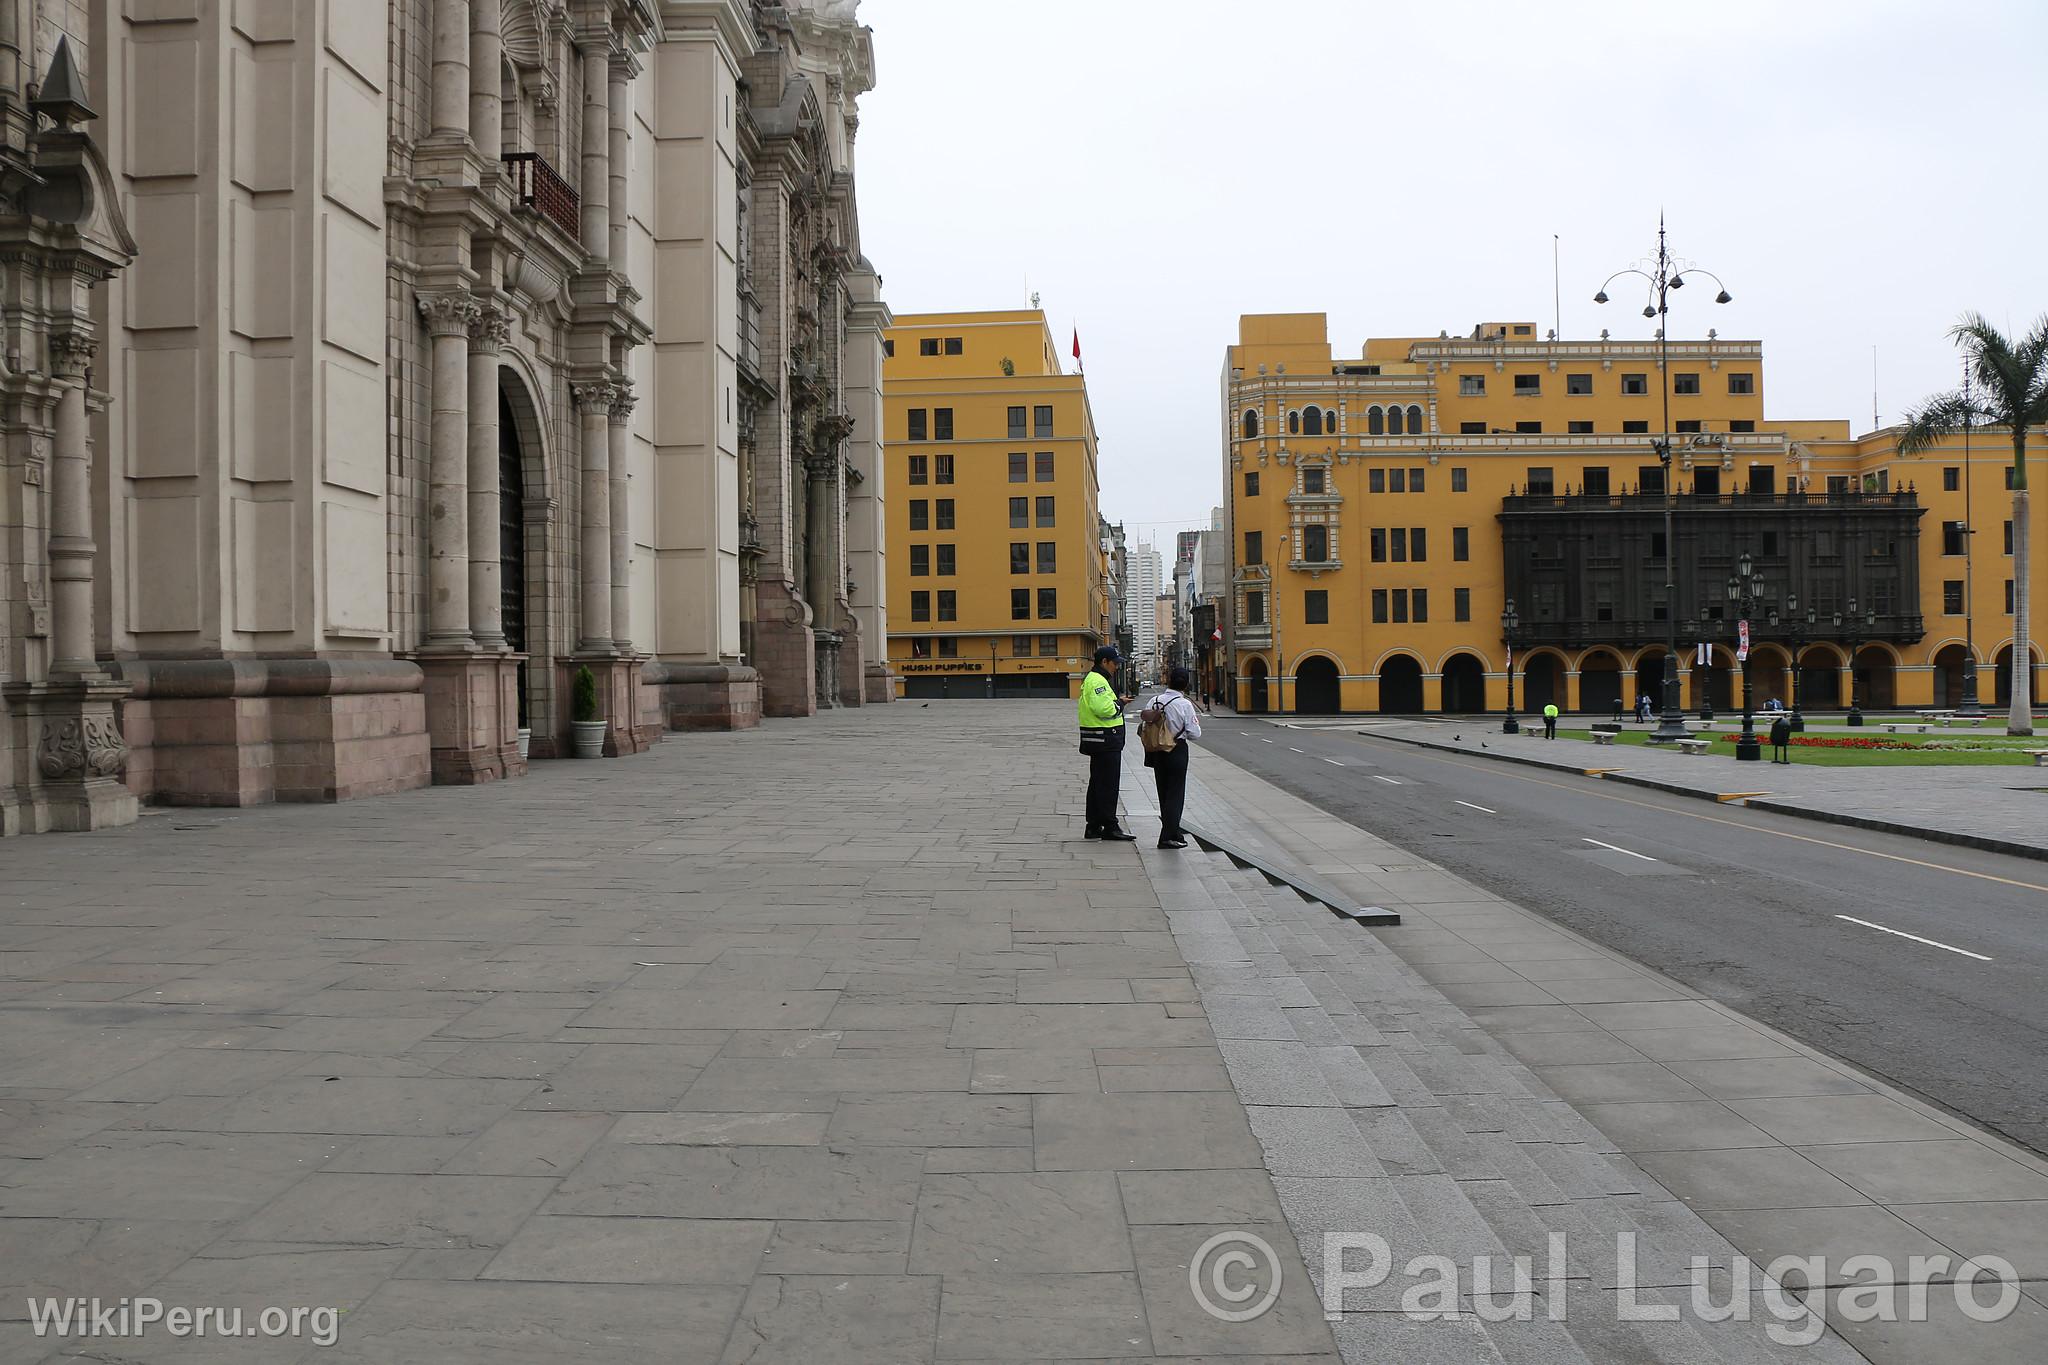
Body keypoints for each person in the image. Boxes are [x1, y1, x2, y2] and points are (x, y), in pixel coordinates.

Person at [1077, 645, 1135, 840]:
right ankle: (1110, 826)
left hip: (1098, 739)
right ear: (1104, 662)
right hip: (1105, 739)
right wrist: (1119, 704)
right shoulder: (1098, 681)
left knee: (1097, 784)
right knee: (1108, 784)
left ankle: (1093, 825)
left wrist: (1117, 701)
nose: (1116, 667)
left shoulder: (1093, 679)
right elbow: (1104, 709)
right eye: (1115, 663)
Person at [1145, 666, 1203, 849]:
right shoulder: (1184, 704)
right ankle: (1167, 836)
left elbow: (1146, 723)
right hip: (1176, 750)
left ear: (1168, 681)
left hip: (1156, 751)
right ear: (1185, 684)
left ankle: (1173, 830)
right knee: (1175, 794)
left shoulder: (1154, 700)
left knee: (1163, 793)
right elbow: (1195, 733)